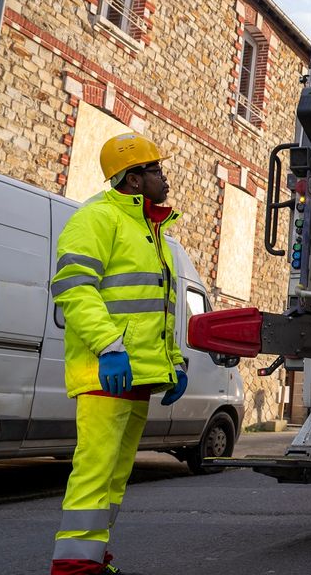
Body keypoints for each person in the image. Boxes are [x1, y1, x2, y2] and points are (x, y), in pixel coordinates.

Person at [49, 133, 188, 575]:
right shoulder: (97, 219)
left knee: (112, 480)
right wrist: (110, 348)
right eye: (157, 170)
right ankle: (72, 570)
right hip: (105, 373)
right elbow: (73, 290)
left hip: (137, 377)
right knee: (94, 475)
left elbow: (156, 308)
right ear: (133, 178)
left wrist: (175, 364)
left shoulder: (150, 231)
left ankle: (92, 559)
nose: (165, 178)